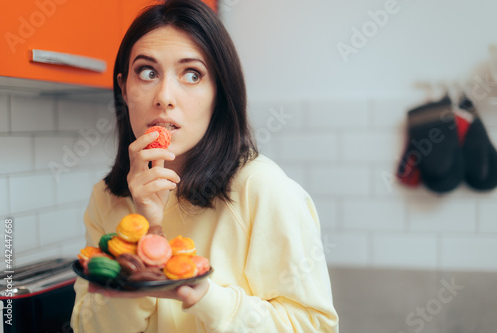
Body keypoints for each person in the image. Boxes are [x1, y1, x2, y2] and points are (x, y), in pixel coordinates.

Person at [70, 0, 339, 332]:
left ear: (219, 92)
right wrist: (147, 232)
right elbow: (87, 327)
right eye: (148, 72)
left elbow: (313, 327)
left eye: (192, 74)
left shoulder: (264, 190)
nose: (164, 96)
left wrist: (205, 296)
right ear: (124, 88)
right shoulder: (105, 198)